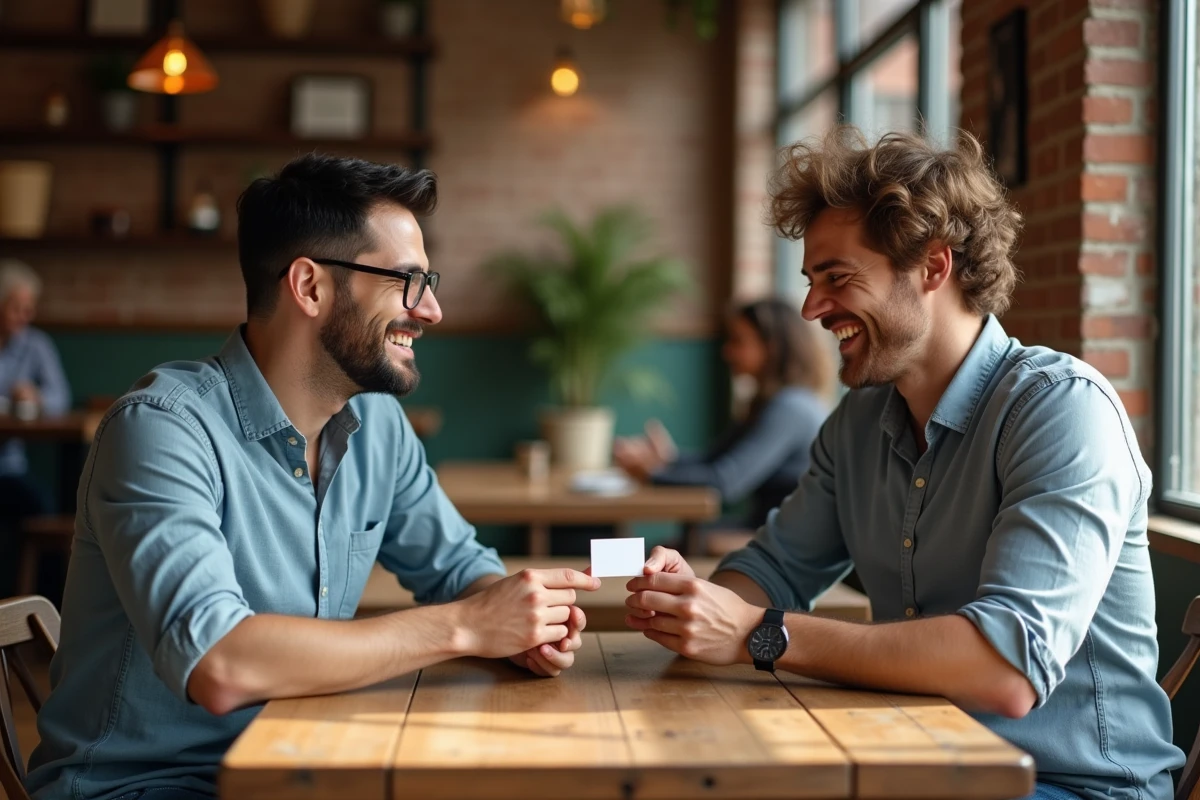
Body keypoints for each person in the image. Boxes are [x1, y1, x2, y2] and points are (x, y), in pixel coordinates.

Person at [619, 128, 1183, 800]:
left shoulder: (1062, 411)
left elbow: (1005, 668)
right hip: (913, 758)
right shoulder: (856, 424)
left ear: (933, 268)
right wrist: (699, 602)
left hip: (1069, 786)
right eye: (810, 281)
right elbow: (771, 570)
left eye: (837, 278)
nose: (811, 309)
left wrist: (759, 633)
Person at [25, 154, 600, 800]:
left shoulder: (377, 426)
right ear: (310, 287)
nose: (432, 310)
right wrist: (467, 626)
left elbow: (458, 569)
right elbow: (221, 662)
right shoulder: (160, 429)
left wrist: (522, 625)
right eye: (408, 282)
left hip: (296, 766)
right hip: (143, 788)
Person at [613, 298, 834, 531]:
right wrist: (668, 459)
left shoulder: (791, 408)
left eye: (738, 341)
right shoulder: (772, 402)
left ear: (772, 347)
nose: (727, 352)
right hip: (769, 530)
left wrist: (652, 474)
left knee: (666, 550)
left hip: (785, 542)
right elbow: (715, 459)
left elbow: (725, 481)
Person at [0, 259, 71, 598]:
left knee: (42, 507)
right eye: (16, 308)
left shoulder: (37, 344)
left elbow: (61, 398)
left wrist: (36, 397)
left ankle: (43, 608)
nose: (24, 316)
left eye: (29, 308)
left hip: (9, 470)